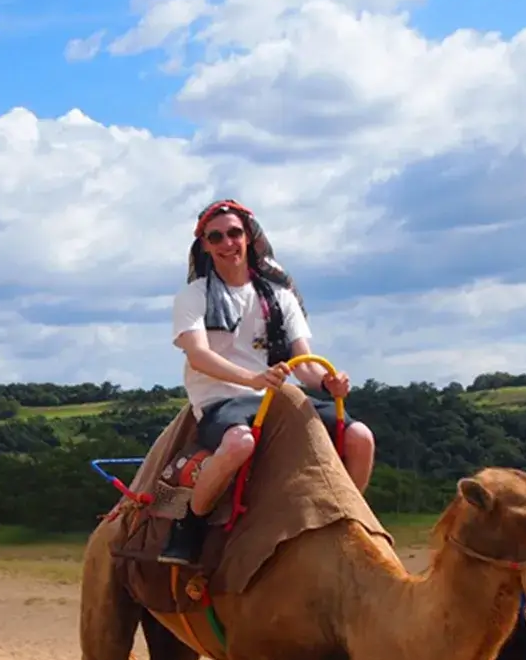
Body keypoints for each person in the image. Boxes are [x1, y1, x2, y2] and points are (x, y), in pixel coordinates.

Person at [158, 198, 376, 565]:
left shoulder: (278, 295)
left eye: (234, 233)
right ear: (205, 246)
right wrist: (252, 378)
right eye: (216, 237)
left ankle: (350, 523)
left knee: (360, 437)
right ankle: (189, 524)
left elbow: (302, 362)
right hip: (221, 401)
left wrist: (329, 383)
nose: (228, 243)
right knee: (239, 443)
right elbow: (198, 355)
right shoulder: (193, 296)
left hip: (276, 397)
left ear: (249, 237)